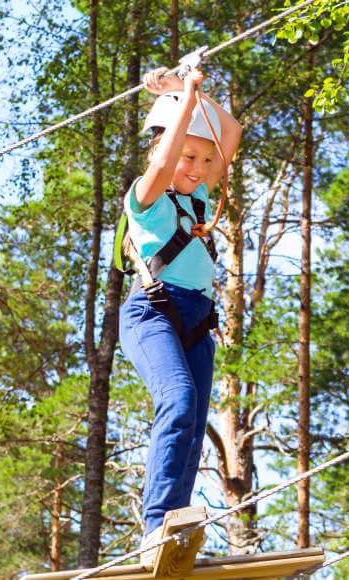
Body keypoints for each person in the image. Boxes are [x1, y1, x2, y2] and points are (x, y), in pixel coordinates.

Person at [118, 65, 241, 563]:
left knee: (192, 422)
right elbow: (169, 155)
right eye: (189, 156)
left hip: (195, 320)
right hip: (151, 313)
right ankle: (156, 529)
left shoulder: (200, 198)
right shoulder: (145, 198)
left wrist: (186, 91)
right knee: (179, 398)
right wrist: (184, 99)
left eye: (205, 160)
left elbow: (228, 133)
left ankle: (175, 529)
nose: (196, 166)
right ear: (163, 151)